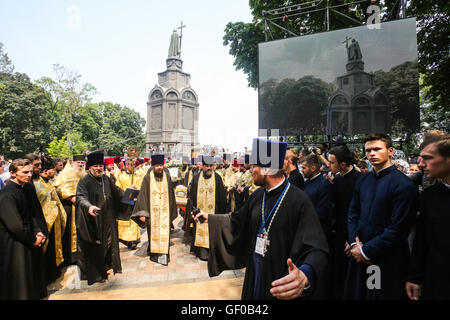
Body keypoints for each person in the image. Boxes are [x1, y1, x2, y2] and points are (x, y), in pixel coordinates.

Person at [193, 138, 329, 299]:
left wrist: (306, 274)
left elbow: (317, 248)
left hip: (280, 280)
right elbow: (237, 219)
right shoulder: (258, 195)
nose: (251, 170)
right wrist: (210, 218)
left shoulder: (300, 201)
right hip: (256, 271)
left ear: (267, 169)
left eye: (255, 166)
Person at [344, 134, 419, 300]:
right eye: (368, 150)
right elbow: (352, 213)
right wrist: (354, 242)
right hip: (359, 255)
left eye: (377, 149)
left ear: (390, 151)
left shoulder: (404, 185)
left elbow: (398, 229)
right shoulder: (363, 181)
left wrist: (365, 251)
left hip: (381, 261)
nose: (372, 153)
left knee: (375, 294)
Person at [406, 134, 450, 300]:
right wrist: (414, 277)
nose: (420, 164)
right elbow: (422, 240)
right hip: (436, 282)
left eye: (427, 158)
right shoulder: (429, 196)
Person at [75, 152, 126, 285]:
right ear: (90, 167)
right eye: (96, 166)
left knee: (109, 242)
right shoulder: (84, 181)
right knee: (97, 245)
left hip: (108, 217)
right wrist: (89, 207)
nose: (99, 168)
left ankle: (107, 265)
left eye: (100, 166)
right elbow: (80, 197)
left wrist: (130, 196)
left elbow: (117, 192)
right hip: (94, 219)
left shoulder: (106, 178)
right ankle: (98, 271)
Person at [0, 159, 48, 299]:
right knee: (19, 283)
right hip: (13, 243)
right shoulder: (7, 194)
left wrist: (38, 231)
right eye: (25, 172)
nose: (29, 175)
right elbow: (15, 225)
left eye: (30, 172)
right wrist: (33, 239)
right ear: (13, 173)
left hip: (25, 239)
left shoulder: (23, 189)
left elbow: (31, 214)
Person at [327, 145, 362, 299]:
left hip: (355, 238)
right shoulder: (338, 179)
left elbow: (359, 213)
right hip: (339, 235)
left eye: (331, 162)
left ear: (342, 164)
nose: (328, 165)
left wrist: (352, 240)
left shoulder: (360, 180)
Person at [131, 154, 178, 265]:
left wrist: (172, 211)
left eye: (161, 165)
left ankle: (164, 256)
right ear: (153, 166)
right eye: (157, 165)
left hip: (165, 213)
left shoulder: (167, 176)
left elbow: (171, 195)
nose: (159, 167)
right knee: (153, 233)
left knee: (165, 233)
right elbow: (143, 196)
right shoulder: (148, 178)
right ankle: (154, 255)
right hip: (153, 213)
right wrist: (143, 213)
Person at [301, 154, 334, 298]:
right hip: (307, 234)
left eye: (304, 167)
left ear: (313, 168)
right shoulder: (306, 183)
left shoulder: (324, 184)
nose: (302, 170)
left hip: (320, 234)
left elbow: (323, 211)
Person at [33, 155, 67, 284]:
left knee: (53, 248)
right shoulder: (37, 184)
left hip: (54, 223)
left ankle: (54, 271)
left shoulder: (46, 182)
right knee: (47, 250)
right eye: (53, 169)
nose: (55, 172)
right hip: (45, 222)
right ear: (46, 171)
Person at [188, 155, 227, 261]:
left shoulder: (218, 178)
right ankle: (201, 252)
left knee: (212, 231)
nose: (209, 168)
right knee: (199, 230)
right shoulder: (196, 178)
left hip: (214, 213)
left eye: (211, 166)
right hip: (199, 213)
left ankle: (212, 252)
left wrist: (222, 214)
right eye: (207, 166)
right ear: (203, 166)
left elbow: (222, 198)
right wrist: (192, 211)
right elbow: (191, 197)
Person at [53, 157, 85, 267]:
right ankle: (70, 257)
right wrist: (71, 197)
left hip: (82, 207)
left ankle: (81, 255)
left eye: (82, 163)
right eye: (78, 163)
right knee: (69, 232)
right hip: (69, 207)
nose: (80, 165)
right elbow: (59, 188)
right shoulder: (65, 174)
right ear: (73, 163)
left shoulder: (83, 174)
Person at [115, 158, 144, 250]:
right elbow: (117, 189)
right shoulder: (121, 177)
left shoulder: (138, 176)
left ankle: (135, 238)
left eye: (132, 165)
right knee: (126, 221)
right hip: (125, 202)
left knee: (134, 221)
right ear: (126, 165)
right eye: (128, 164)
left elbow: (141, 187)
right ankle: (128, 240)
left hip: (135, 202)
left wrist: (136, 189)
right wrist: (126, 192)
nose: (130, 166)